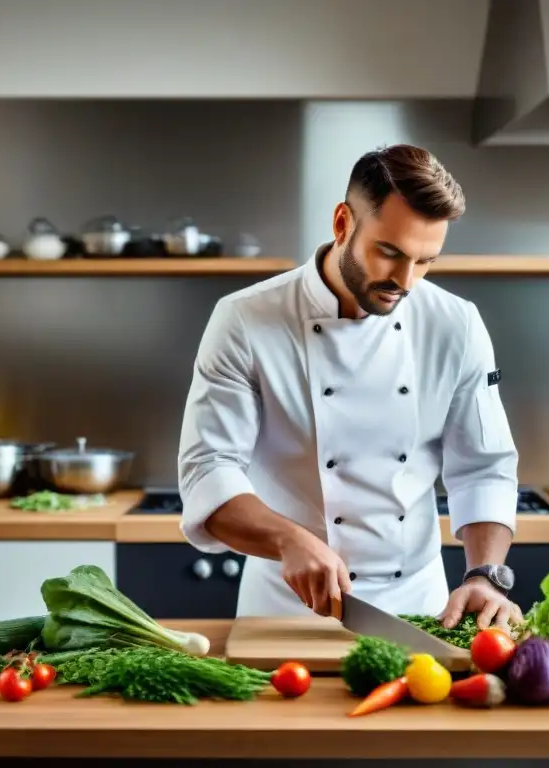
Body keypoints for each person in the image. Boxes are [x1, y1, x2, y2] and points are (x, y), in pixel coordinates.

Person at [177, 144, 522, 632]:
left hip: (420, 610)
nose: (405, 281)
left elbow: (484, 468)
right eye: (390, 252)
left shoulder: (456, 324)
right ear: (342, 223)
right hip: (285, 608)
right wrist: (286, 539)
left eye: (425, 261)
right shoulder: (246, 320)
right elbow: (208, 471)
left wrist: (485, 576)